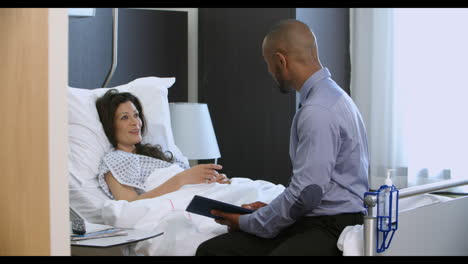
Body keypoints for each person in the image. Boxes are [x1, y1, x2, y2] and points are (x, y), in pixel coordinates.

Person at [196, 19, 369, 256]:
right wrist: (268, 211)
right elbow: (311, 190)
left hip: (332, 226)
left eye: (268, 64)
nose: (270, 72)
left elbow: (307, 193)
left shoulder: (318, 110)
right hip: (319, 218)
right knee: (213, 251)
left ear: (281, 60)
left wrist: (249, 222)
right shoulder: (335, 97)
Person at [95, 89, 230, 202]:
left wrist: (212, 182)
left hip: (201, 195)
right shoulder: (113, 162)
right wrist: (181, 179)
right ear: (110, 125)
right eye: (125, 117)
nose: (135, 122)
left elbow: (188, 180)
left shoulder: (153, 153)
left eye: (136, 115)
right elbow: (131, 206)